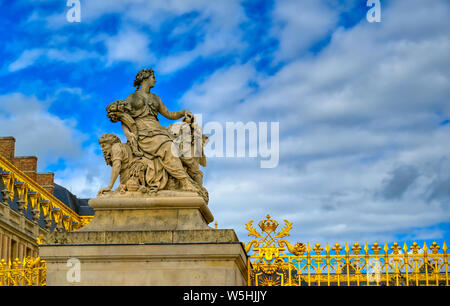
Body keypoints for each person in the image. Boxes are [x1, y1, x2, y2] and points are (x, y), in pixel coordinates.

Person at [107, 68, 197, 192]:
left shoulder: (156, 98)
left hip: (158, 130)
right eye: (153, 77)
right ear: (145, 79)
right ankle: (184, 181)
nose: (155, 80)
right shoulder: (132, 98)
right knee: (168, 147)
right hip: (143, 134)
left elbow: (169, 114)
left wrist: (184, 112)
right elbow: (124, 117)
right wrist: (128, 134)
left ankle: (189, 176)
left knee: (180, 145)